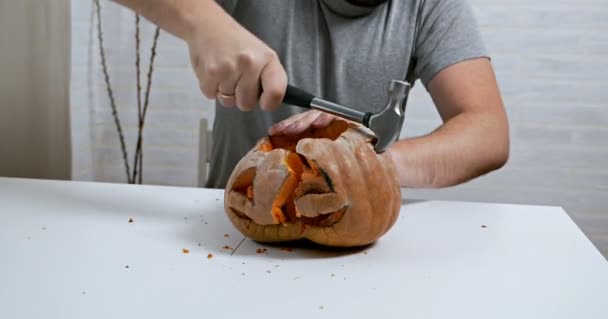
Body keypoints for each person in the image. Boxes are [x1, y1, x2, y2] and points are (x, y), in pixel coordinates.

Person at [114, 0, 509, 189]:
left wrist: (370, 164)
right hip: (233, 231)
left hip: (358, 240)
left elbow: (487, 133)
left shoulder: (430, 6)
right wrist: (202, 23)